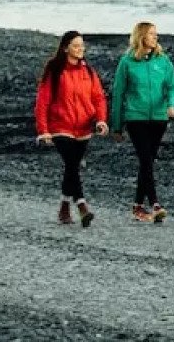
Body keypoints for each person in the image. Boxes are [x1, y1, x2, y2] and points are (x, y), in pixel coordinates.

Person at [34, 30, 109, 227]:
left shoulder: (89, 72)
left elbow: (99, 98)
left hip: (84, 127)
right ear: (66, 48)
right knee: (71, 164)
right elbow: (43, 101)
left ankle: (64, 207)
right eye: (76, 46)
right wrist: (43, 130)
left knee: (72, 167)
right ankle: (82, 205)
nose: (80, 49)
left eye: (82, 45)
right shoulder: (55, 70)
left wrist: (101, 120)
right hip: (60, 126)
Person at [111, 21, 174, 223]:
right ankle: (155, 203)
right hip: (136, 117)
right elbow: (118, 94)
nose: (155, 37)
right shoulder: (127, 62)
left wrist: (172, 105)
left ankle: (138, 206)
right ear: (141, 36)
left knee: (147, 161)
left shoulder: (163, 61)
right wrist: (116, 125)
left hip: (159, 118)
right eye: (151, 34)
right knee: (145, 159)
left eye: (156, 33)